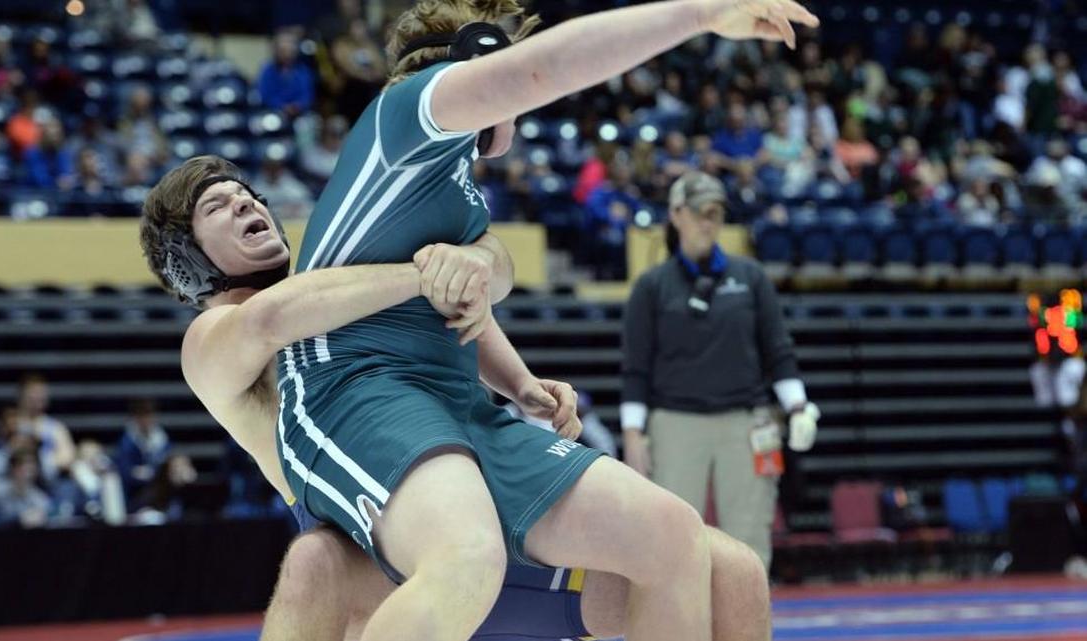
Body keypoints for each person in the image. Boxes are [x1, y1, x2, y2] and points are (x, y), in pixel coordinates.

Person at [286, 2, 817, 639]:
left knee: (673, 536)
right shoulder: (409, 114)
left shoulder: (455, 186)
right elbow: (542, 72)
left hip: (459, 405)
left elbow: (467, 305)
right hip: (357, 388)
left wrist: (520, 385)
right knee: (467, 556)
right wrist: (701, 14)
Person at [135, 156, 771, 641]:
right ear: (188, 260)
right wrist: (427, 271)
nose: (247, 202)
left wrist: (521, 384)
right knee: (311, 562)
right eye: (219, 204)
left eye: (248, 193)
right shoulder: (212, 339)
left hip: (490, 494)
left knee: (732, 572)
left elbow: (463, 299)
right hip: (380, 548)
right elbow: (269, 322)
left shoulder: (336, 288)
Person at [621, 171, 820, 569]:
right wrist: (632, 435)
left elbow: (778, 351)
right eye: (700, 213)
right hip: (675, 423)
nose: (709, 222)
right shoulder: (652, 286)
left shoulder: (751, 278)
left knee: (749, 540)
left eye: (715, 213)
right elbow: (636, 367)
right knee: (672, 540)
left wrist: (798, 407)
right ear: (676, 215)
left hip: (747, 424)